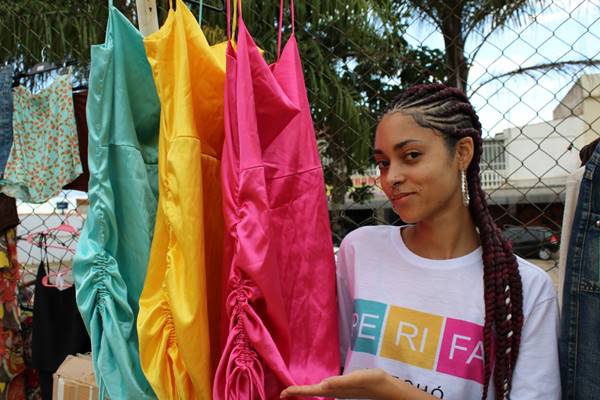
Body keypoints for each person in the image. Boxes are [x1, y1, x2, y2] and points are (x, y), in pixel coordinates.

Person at [281, 84, 560, 400]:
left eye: (411, 156)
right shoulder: (360, 251)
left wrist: (396, 392)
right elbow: (328, 358)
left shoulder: (524, 287)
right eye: (383, 163)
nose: (391, 178)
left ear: (462, 153)